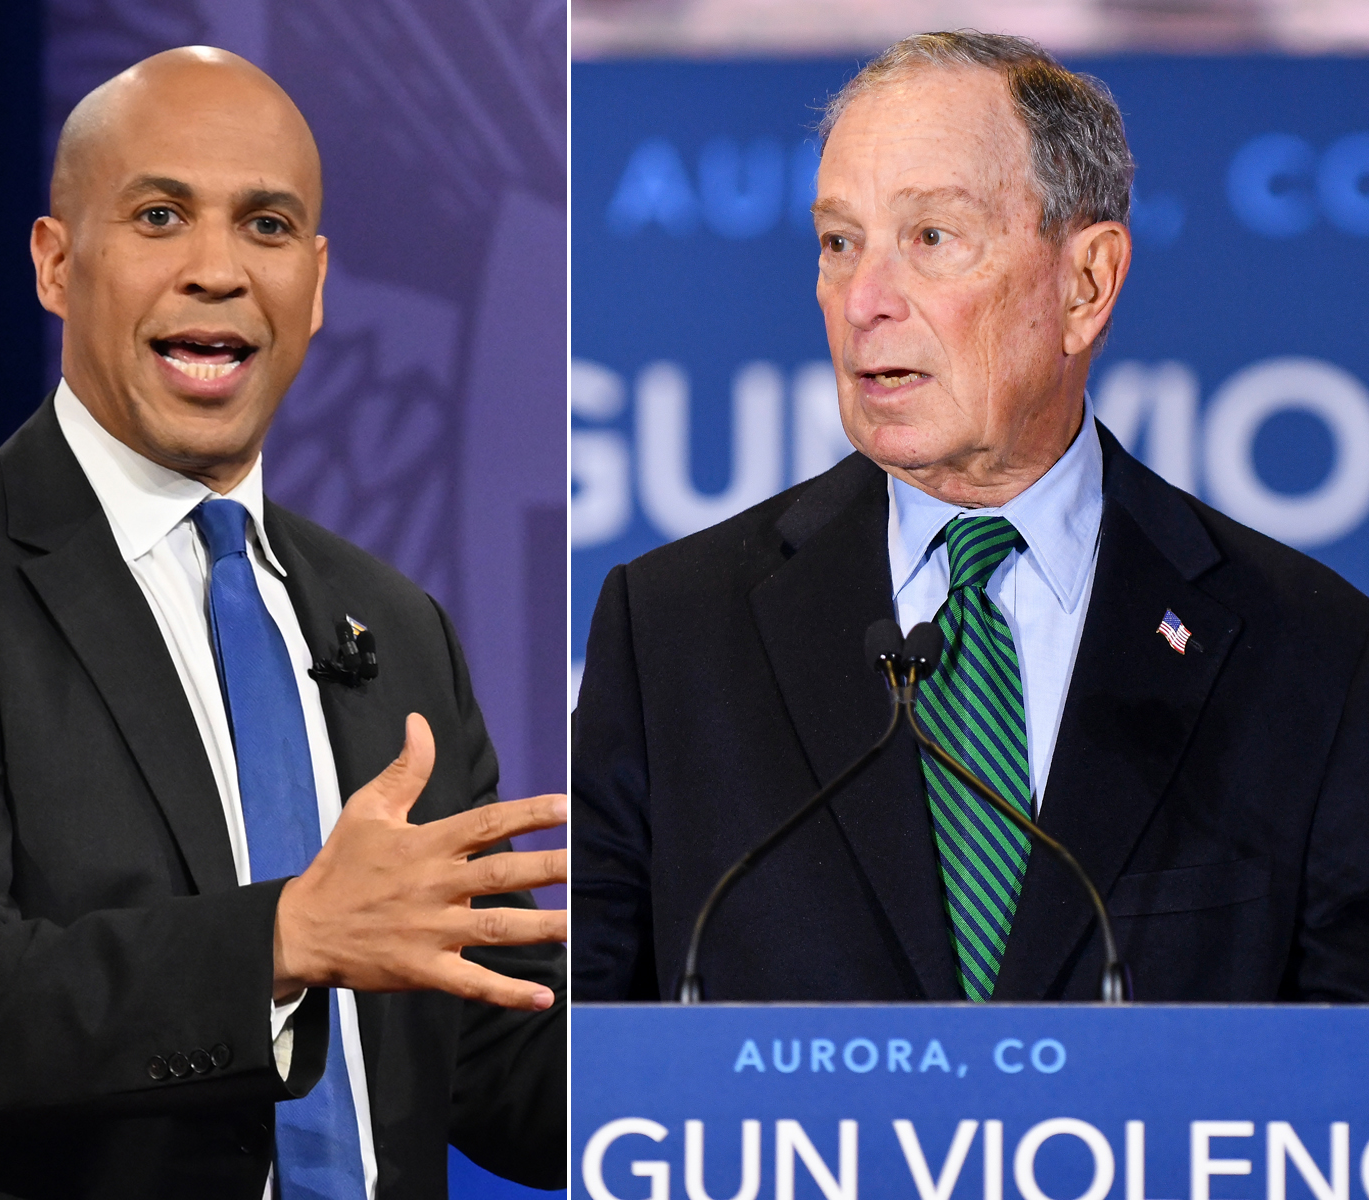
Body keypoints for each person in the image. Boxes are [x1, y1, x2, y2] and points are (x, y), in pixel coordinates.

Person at [0, 47, 565, 1199]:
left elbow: (489, 1059)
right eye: (158, 216)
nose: (216, 270)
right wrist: (283, 939)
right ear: (56, 263)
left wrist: (744, 1057)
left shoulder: (393, 625)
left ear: (319, 280)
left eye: (268, 225)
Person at [572, 31, 1369, 1005]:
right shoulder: (671, 632)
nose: (863, 300)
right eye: (837, 242)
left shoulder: (1309, 648)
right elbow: (580, 1075)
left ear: (1085, 284)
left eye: (931, 238)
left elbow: (1343, 1097)